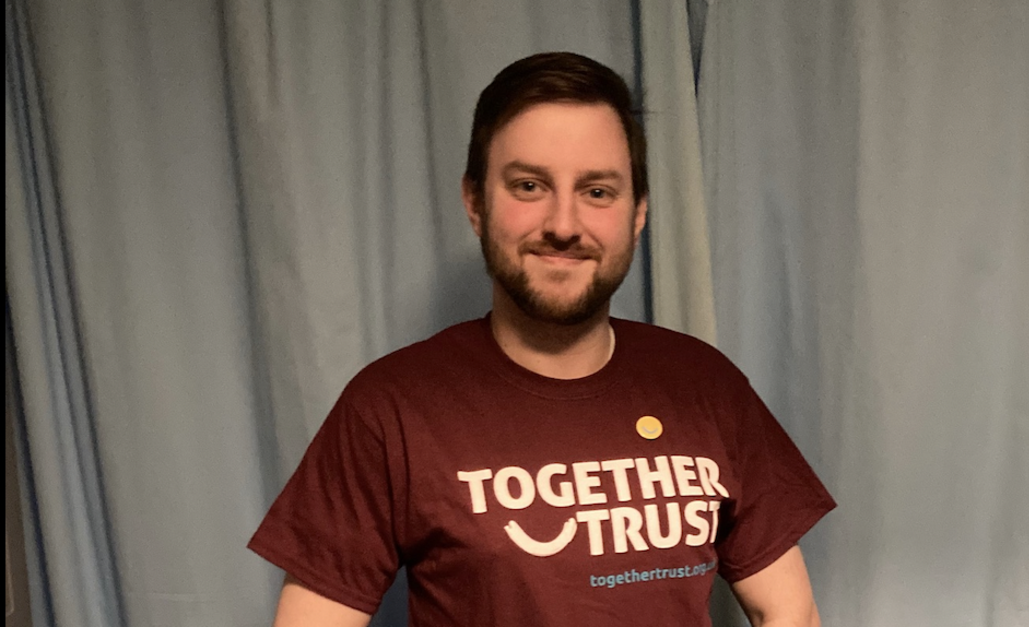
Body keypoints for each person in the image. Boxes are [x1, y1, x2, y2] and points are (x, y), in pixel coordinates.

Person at [249, 51, 836, 627]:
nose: (562, 225)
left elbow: (788, 608)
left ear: (637, 214)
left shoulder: (706, 384)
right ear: (476, 203)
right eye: (529, 186)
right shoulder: (391, 408)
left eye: (598, 191)